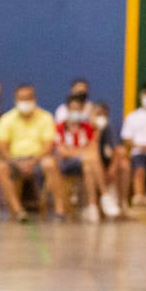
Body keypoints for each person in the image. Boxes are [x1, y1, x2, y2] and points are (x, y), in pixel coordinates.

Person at [0, 84, 65, 222]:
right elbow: (1, 147)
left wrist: (33, 161)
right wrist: (16, 162)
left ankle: (59, 212)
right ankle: (18, 211)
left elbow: (48, 145)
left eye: (28, 98)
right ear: (16, 99)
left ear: (34, 99)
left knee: (51, 164)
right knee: (0, 168)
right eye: (22, 98)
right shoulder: (6, 119)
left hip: (38, 160)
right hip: (15, 160)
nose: (25, 101)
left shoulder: (45, 117)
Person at [55, 93, 104, 222]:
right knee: (89, 159)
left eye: (78, 109)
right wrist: (82, 152)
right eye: (72, 109)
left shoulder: (86, 127)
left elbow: (93, 148)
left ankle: (92, 206)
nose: (75, 112)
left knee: (88, 166)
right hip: (66, 164)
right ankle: (104, 194)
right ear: (67, 110)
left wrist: (77, 152)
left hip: (84, 163)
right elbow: (62, 152)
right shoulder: (60, 128)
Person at [92, 102, 129, 218]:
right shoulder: (86, 128)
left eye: (103, 115)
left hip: (107, 162)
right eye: (98, 114)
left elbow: (117, 149)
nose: (100, 118)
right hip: (93, 164)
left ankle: (122, 202)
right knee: (92, 163)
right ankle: (97, 202)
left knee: (124, 165)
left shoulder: (109, 129)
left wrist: (112, 168)